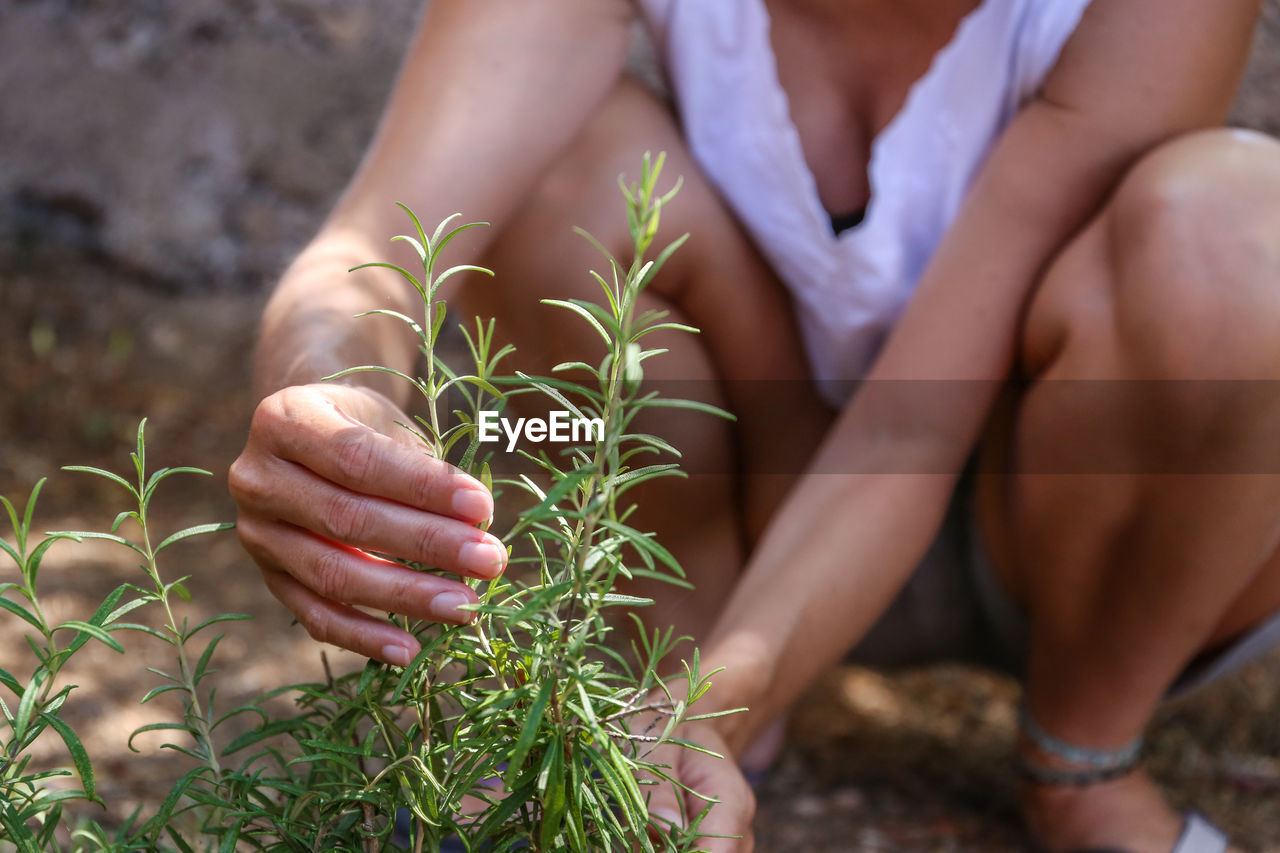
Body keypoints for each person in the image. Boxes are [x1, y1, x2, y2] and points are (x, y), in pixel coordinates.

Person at [228, 1, 1280, 850]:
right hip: (761, 483)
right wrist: (326, 390)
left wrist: (712, 704)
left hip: (1067, 518)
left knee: (1232, 234)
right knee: (551, 169)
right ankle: (672, 695)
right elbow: (371, 244)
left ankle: (1081, 753)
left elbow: (907, 433)